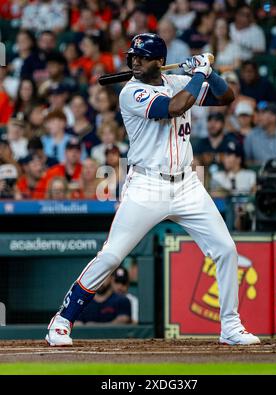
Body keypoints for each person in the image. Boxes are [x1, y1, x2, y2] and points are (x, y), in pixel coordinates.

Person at [46, 33, 260, 346]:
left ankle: (230, 326)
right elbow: (175, 107)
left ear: (159, 61)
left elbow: (225, 98)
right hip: (147, 184)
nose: (134, 61)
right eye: (132, 56)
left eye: (142, 57)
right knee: (112, 256)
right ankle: (62, 320)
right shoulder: (131, 92)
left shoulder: (175, 81)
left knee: (226, 250)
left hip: (187, 183)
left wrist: (210, 74)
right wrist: (198, 72)